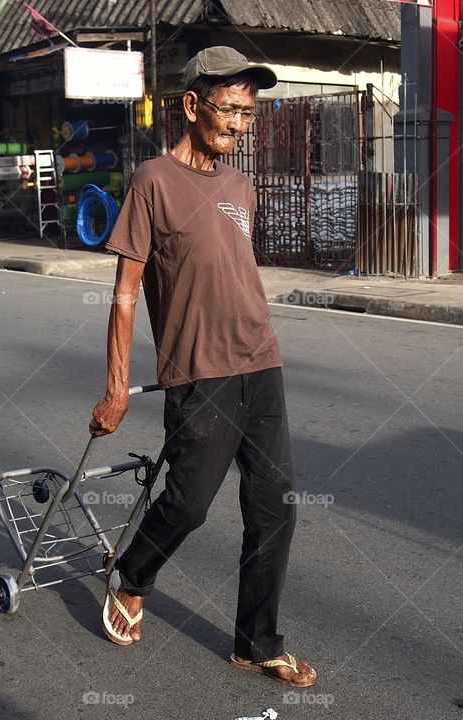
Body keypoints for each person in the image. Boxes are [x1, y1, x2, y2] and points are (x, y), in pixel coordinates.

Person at [89, 46, 317, 689]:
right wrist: (116, 387)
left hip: (260, 363)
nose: (242, 125)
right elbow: (126, 290)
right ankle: (131, 578)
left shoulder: (241, 185)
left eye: (250, 113)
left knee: (276, 508)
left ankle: (257, 642)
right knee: (188, 506)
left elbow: (232, 272)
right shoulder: (152, 181)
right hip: (198, 372)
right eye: (231, 110)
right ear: (191, 105)